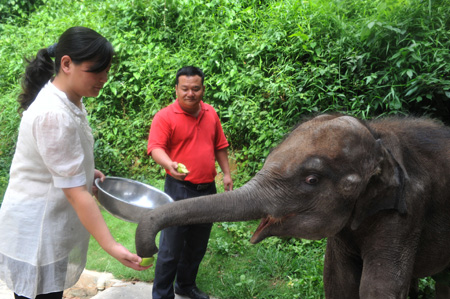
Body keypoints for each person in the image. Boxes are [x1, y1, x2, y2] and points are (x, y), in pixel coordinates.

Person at [0, 26, 149, 299]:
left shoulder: (71, 101)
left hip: (49, 225)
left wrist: (86, 171)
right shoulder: (53, 113)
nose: (104, 78)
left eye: (107, 70)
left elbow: (59, 160)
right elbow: (77, 194)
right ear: (66, 64)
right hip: (37, 232)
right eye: (96, 70)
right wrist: (113, 246)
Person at [147, 66, 233, 299]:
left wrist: (226, 174)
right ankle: (162, 295)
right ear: (176, 89)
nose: (190, 93)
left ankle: (185, 285)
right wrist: (169, 165)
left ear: (203, 89)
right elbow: (155, 147)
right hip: (179, 188)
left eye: (195, 88)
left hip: (207, 190)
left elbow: (220, 145)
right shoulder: (165, 116)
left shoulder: (210, 113)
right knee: (171, 247)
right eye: (184, 88)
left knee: (197, 245)